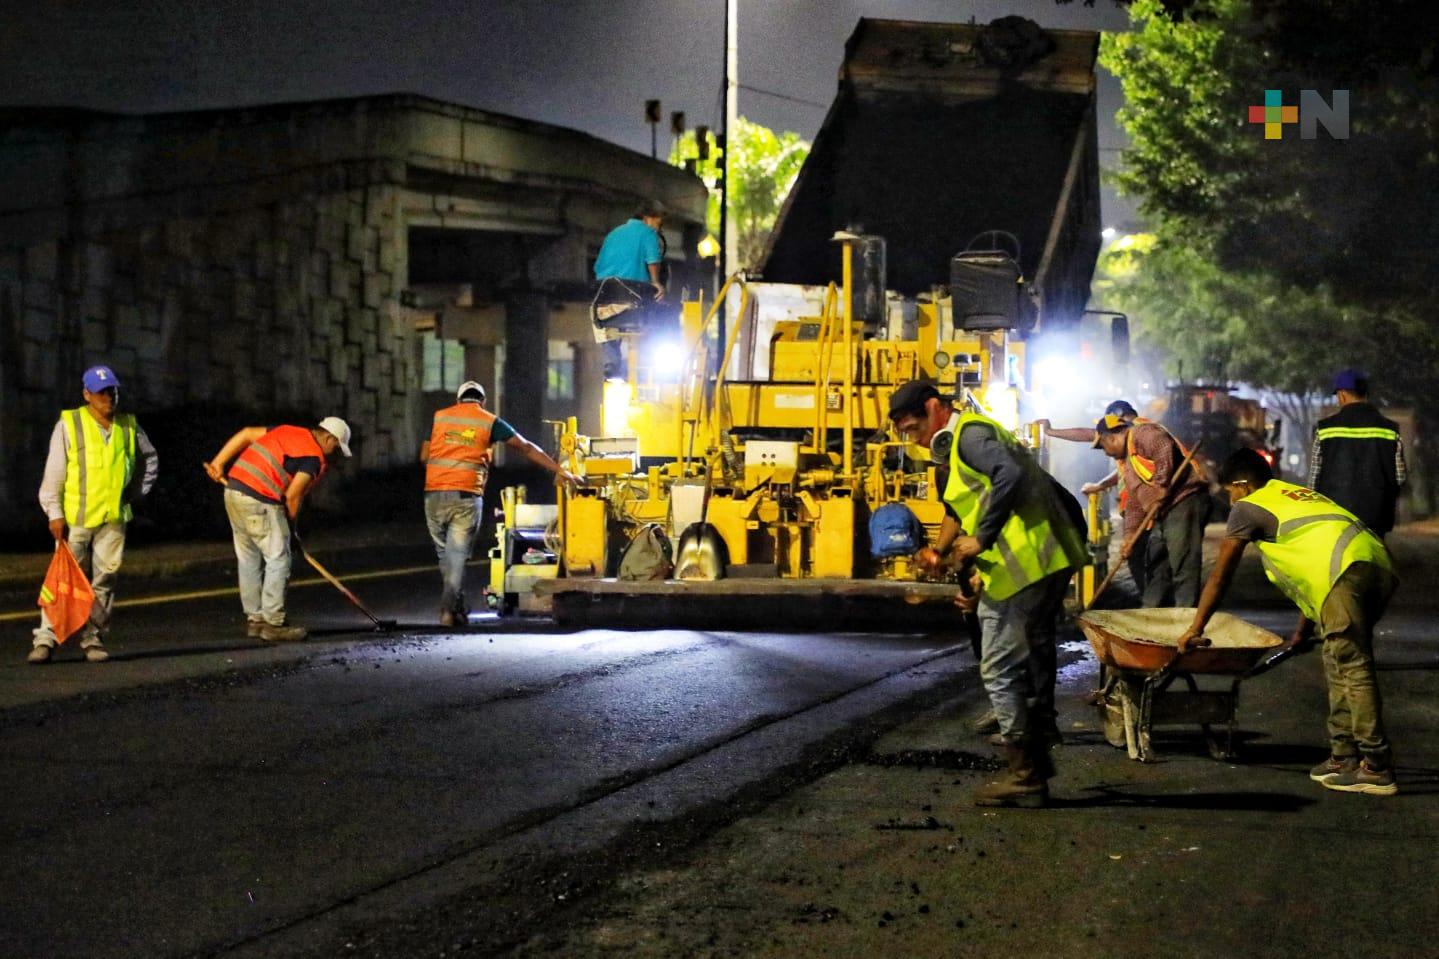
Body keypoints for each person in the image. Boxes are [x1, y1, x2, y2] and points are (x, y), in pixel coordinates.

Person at [892, 381, 1087, 808]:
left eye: (914, 429)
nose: (916, 441)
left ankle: (1026, 774)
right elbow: (964, 508)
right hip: (1030, 564)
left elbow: (1009, 476)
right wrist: (948, 555)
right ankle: (1038, 743)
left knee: (999, 666)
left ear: (934, 407)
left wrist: (981, 539)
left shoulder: (971, 436)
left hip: (1029, 564)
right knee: (1026, 652)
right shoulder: (962, 447)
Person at [1178, 449, 1398, 795]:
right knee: (1337, 660)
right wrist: (1300, 633)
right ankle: (1342, 755)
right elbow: (1313, 565)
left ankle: (1376, 766)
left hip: (1344, 571)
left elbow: (1220, 576)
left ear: (1242, 485)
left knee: (1352, 665)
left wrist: (1195, 629)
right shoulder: (1292, 494)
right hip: (1375, 564)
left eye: (1230, 492)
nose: (1230, 501)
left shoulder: (1248, 507)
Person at [420, 380, 579, 626]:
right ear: (482, 401)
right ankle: (448, 612)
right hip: (466, 495)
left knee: (446, 556)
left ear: (458, 399)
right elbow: (526, 447)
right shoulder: (489, 421)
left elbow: (424, 456)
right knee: (457, 557)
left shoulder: (440, 417)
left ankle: (456, 606)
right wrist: (560, 470)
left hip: (433, 495)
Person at [29, 365, 159, 664]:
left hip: (113, 517)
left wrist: (134, 493)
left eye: (112, 391)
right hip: (75, 519)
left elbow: (149, 459)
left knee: (105, 579)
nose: (108, 397)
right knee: (62, 581)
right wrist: (54, 513)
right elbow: (55, 472)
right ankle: (46, 638)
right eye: (101, 393)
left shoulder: (128, 426)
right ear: (87, 394)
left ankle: (93, 637)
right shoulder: (70, 424)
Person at [203, 417, 353, 642]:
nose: (335, 453)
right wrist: (291, 531)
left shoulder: (287, 430)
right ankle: (274, 623)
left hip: (233, 492)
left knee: (249, 559)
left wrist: (218, 463)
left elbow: (246, 432)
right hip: (260, 500)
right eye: (337, 447)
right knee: (279, 559)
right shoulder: (313, 458)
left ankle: (256, 621)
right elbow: (293, 497)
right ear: (329, 438)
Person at [1037, 400, 1164, 600]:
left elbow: (1089, 434)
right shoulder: (1130, 440)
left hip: (1149, 508)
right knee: (1139, 558)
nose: (1104, 447)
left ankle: (1156, 603)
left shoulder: (1140, 432)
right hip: (1138, 507)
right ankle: (1152, 601)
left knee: (1148, 559)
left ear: (1118, 419)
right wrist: (1101, 485)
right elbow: (1118, 466)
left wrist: (1051, 432)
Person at [1093, 413, 1208, 607]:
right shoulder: (1130, 466)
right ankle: (1151, 610)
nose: (1106, 453)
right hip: (1163, 512)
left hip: (1184, 501)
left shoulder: (1142, 433)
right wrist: (1130, 535)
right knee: (1156, 564)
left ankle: (1186, 615)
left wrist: (1161, 483)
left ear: (1111, 438)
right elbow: (1134, 503)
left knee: (1183, 562)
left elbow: (1163, 447)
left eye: (1103, 447)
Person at [1310, 368, 1406, 538]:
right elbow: (1400, 477)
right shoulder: (1390, 430)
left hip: (1335, 516)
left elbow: (1314, 480)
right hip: (1376, 517)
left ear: (1342, 395)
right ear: (1366, 394)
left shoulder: (1325, 429)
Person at [592, 201, 667, 381]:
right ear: (648, 218)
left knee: (607, 328)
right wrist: (656, 282)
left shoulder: (613, 234)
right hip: (634, 299)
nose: (659, 229)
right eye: (659, 223)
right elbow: (653, 260)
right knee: (663, 312)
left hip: (604, 301)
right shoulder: (648, 233)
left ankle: (613, 365)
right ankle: (651, 363)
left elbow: (598, 267)